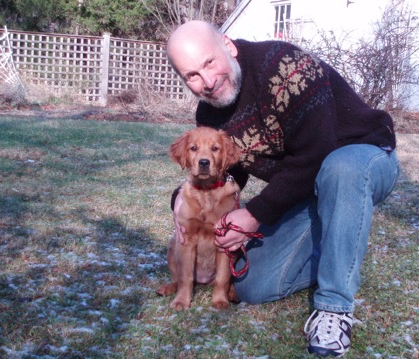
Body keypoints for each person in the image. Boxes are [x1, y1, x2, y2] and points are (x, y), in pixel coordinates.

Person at [167, 20, 400, 357]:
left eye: (209, 62)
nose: (207, 81)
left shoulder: (284, 66)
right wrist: (181, 198)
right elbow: (229, 169)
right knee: (252, 286)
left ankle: (334, 310)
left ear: (228, 46)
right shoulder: (211, 110)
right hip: (306, 187)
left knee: (340, 166)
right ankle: (338, 247)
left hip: (363, 158)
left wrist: (257, 214)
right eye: (192, 75)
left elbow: (318, 151)